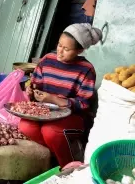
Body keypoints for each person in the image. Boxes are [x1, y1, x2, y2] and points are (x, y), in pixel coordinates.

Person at [20, 23, 102, 167]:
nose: (60, 51)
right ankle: (54, 157)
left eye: (66, 49)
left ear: (79, 50)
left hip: (73, 117)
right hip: (45, 112)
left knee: (51, 132)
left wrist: (54, 99)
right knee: (26, 126)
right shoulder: (47, 60)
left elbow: (83, 104)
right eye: (59, 45)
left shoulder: (86, 69)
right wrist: (31, 91)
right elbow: (35, 84)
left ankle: (69, 167)